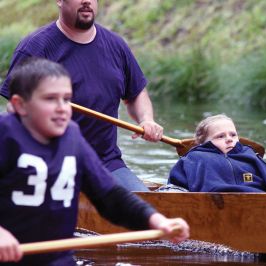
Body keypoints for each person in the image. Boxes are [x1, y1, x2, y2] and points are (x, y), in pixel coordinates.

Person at [0, 58, 189, 265]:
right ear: (20, 105)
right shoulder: (5, 135)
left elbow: (109, 194)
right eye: (50, 99)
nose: (62, 108)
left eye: (66, 99)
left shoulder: (72, 137)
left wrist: (157, 220)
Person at [0, 0, 162, 191]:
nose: (87, 1)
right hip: (48, 162)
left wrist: (146, 119)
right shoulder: (35, 48)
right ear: (59, 1)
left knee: (144, 210)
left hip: (106, 163)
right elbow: (16, 113)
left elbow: (135, 93)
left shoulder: (116, 46)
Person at [168, 114, 266, 192]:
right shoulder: (195, 158)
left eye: (233, 134)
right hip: (212, 203)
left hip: (257, 204)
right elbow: (175, 188)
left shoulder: (250, 155)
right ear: (203, 142)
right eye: (220, 136)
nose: (229, 139)